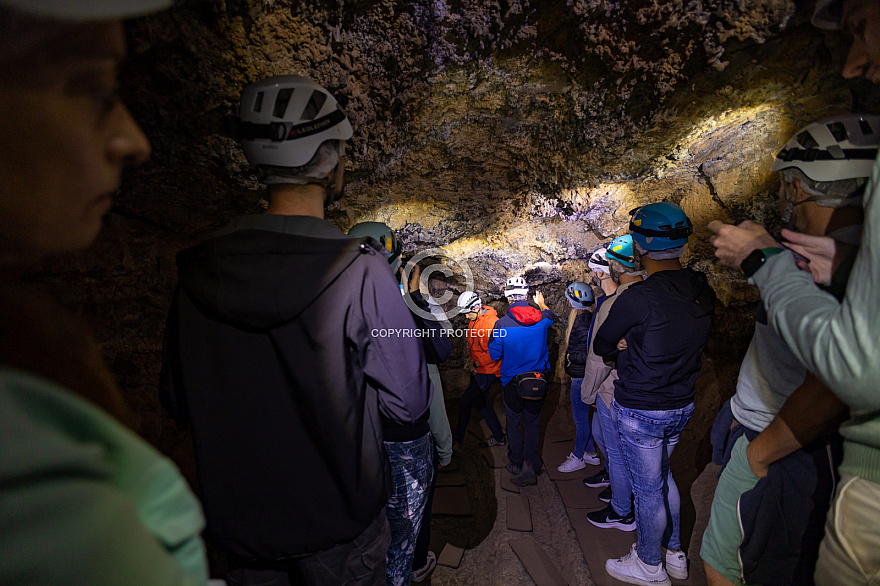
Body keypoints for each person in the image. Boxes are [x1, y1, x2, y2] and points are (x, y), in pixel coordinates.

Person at [160, 76, 432, 586]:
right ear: (332, 161)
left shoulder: (198, 272)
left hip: (239, 526)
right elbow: (408, 401)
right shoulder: (362, 272)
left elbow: (177, 397)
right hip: (338, 521)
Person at [0, 1, 213, 584]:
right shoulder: (24, 473)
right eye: (90, 86)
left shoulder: (197, 276)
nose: (134, 141)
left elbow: (177, 387)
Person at [708, 1, 880, 582]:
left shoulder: (824, 275)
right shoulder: (836, 263)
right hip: (759, 424)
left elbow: (835, 381)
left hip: (784, 444)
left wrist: (755, 455)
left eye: (794, 192)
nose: (786, 205)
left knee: (746, 564)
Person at [595, 202, 716, 586]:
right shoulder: (701, 288)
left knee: (648, 490)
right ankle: (675, 553)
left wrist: (625, 347)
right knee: (664, 479)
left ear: (639, 244)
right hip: (681, 404)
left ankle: (649, 564)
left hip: (641, 408)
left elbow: (602, 345)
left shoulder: (637, 298)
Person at [348, 221, 449, 586]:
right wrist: (418, 297)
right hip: (402, 435)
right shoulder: (406, 308)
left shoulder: (333, 301)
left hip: (355, 436)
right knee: (403, 529)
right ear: (398, 259)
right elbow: (442, 350)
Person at [584, 235, 644, 531]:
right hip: (639, 388)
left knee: (618, 453)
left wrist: (588, 392)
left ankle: (622, 510)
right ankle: (620, 491)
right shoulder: (647, 296)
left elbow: (598, 355)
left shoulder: (615, 303)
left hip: (614, 390)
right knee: (609, 444)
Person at [489, 276, 555, 487]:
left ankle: (516, 463)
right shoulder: (542, 319)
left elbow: (494, 354)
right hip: (537, 381)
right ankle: (532, 464)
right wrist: (542, 303)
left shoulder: (502, 324)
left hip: (513, 383)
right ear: (527, 296)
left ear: (509, 298)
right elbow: (550, 315)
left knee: (514, 423)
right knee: (533, 423)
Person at [453, 291, 506, 448]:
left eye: (467, 313)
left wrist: (476, 364)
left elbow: (496, 353)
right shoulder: (475, 319)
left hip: (488, 370)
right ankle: (499, 437)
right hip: (479, 369)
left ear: (476, 308)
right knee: (481, 402)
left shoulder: (491, 323)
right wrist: (473, 362)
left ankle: (457, 439)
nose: (466, 317)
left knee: (465, 401)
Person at [558, 281, 600, 472]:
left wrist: (570, 357)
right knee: (584, 418)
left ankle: (577, 457)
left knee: (581, 420)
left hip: (581, 378)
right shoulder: (588, 318)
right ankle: (591, 454)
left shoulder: (581, 322)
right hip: (582, 376)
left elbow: (590, 353)